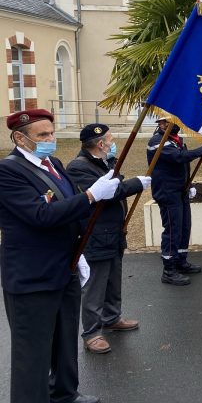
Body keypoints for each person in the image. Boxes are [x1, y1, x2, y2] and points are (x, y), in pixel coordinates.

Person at [0, 109, 120, 403]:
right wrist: (91, 195)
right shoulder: (8, 171)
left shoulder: (52, 163)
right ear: (19, 138)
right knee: (33, 354)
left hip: (66, 266)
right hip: (33, 276)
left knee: (66, 342)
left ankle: (65, 394)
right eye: (42, 135)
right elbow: (41, 215)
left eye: (51, 133)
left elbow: (69, 207)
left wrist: (80, 249)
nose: (50, 139)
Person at [66, 123, 151, 354]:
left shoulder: (106, 161)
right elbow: (108, 193)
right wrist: (136, 184)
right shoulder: (78, 167)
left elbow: (117, 184)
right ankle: (92, 333)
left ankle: (112, 318)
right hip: (95, 235)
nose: (113, 143)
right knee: (95, 285)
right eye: (110, 140)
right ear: (101, 144)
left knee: (113, 279)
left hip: (113, 233)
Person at [147, 117, 202, 285]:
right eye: (162, 122)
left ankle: (180, 261)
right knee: (173, 230)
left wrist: (188, 184)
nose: (164, 125)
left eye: (168, 121)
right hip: (167, 193)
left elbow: (182, 166)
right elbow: (178, 158)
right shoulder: (157, 142)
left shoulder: (176, 140)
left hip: (180, 191)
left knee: (184, 227)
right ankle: (168, 270)